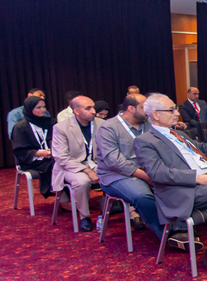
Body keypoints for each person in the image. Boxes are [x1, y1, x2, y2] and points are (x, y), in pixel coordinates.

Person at [133, 94, 207, 250]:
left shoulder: (179, 134)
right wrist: (196, 178)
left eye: (175, 109)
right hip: (186, 190)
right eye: (171, 110)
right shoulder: (145, 141)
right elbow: (157, 173)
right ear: (155, 114)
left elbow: (203, 148)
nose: (177, 113)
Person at [96, 94, 161, 236]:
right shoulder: (109, 128)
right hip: (115, 175)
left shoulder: (149, 125)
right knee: (142, 196)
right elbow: (113, 161)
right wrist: (145, 176)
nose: (148, 111)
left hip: (146, 171)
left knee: (177, 187)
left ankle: (181, 228)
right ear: (131, 109)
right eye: (144, 108)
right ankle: (166, 234)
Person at [51, 95, 101, 231]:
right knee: (82, 181)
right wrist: (87, 170)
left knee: (122, 173)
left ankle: (132, 214)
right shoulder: (61, 128)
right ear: (76, 111)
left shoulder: (102, 124)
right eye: (88, 108)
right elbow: (62, 158)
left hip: (97, 164)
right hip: (70, 167)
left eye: (93, 107)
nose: (93, 111)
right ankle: (84, 216)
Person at [11, 95, 56, 197]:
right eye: (38, 107)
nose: (43, 110)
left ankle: (70, 194)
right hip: (32, 160)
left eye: (44, 107)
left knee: (65, 162)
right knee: (55, 164)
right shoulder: (20, 127)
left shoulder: (50, 122)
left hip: (52, 155)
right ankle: (61, 196)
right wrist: (41, 153)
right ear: (30, 109)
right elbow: (20, 151)